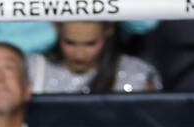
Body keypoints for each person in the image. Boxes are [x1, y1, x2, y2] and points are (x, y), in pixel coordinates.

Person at [27, 21, 161, 94]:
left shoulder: (136, 74)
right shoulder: (33, 70)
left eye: (91, 43)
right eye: (70, 42)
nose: (80, 54)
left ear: (109, 29)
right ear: (56, 27)